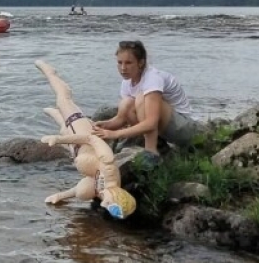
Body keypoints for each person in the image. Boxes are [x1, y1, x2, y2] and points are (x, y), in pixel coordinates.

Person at [35, 60, 136, 219]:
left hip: (76, 149)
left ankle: (56, 115)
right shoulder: (108, 167)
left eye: (116, 213)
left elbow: (78, 191)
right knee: (64, 100)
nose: (109, 208)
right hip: (83, 133)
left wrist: (60, 196)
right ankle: (50, 72)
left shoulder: (103, 191)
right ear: (118, 197)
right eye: (115, 209)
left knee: (64, 127)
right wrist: (59, 140)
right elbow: (90, 139)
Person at [92, 40, 205, 155]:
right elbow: (122, 118)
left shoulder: (152, 78)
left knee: (141, 98)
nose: (123, 68)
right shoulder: (127, 82)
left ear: (140, 63)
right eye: (119, 62)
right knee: (126, 104)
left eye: (128, 63)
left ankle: (151, 151)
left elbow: (151, 122)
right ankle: (158, 144)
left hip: (184, 129)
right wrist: (104, 125)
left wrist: (115, 134)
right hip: (164, 130)